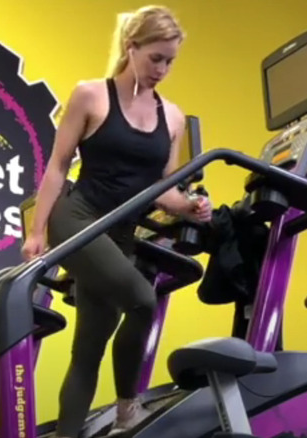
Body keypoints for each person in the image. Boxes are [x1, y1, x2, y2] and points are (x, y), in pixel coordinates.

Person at [21, 5, 212, 438]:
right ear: (132, 47)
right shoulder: (91, 95)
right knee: (143, 300)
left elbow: (162, 187)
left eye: (170, 61)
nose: (163, 69)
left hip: (120, 233)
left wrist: (189, 207)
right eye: (155, 58)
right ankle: (129, 405)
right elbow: (57, 166)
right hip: (78, 217)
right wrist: (36, 232)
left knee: (89, 347)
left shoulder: (174, 118)